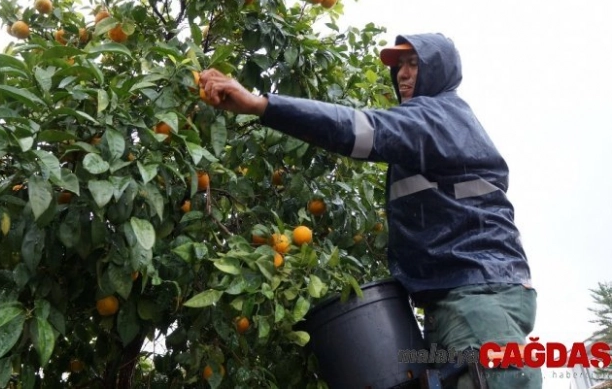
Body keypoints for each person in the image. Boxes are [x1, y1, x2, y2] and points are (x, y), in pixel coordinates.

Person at [199, 33, 541, 389]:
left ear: (439, 72)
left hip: (477, 296)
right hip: (458, 297)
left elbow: (362, 130)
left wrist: (260, 105)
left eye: (414, 64)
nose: (403, 75)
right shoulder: (434, 126)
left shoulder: (438, 118)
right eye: (399, 67)